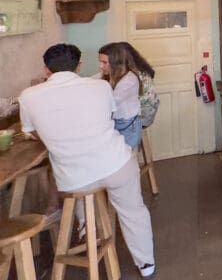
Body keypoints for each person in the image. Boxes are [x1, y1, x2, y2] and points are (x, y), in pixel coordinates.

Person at [19, 44, 156, 278]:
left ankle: (86, 228)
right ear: (79, 66)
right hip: (116, 164)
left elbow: (32, 132)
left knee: (82, 191)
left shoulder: (28, 96)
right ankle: (146, 264)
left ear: (45, 69)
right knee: (133, 210)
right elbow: (108, 117)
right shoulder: (100, 87)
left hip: (74, 177)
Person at [98, 42, 155, 149]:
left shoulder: (130, 79)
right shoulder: (114, 74)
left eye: (104, 62)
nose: (100, 66)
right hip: (123, 120)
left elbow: (110, 103)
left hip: (131, 122)